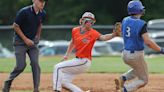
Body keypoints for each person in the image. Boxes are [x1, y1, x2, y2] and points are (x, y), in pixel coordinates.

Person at [53, 12, 119, 92]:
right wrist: (66, 55)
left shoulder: (93, 33)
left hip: (84, 61)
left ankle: (56, 90)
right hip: (77, 60)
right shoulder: (75, 30)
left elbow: (103, 37)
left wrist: (113, 34)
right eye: (87, 20)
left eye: (92, 21)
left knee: (58, 67)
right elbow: (73, 42)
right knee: (64, 82)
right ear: (82, 21)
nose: (89, 23)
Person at [114, 0, 164, 92]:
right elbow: (148, 42)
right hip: (136, 54)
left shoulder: (125, 20)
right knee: (143, 80)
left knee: (139, 69)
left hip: (125, 53)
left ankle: (123, 78)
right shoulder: (141, 23)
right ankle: (125, 90)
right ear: (139, 10)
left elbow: (121, 31)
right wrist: (161, 49)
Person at [2, 0, 47, 92]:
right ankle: (8, 82)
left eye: (44, 1)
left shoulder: (42, 13)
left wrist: (38, 36)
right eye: (40, 1)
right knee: (21, 66)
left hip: (32, 43)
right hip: (20, 42)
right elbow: (15, 26)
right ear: (34, 0)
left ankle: (36, 89)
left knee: (35, 64)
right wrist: (25, 39)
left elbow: (40, 24)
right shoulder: (24, 12)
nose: (42, 3)